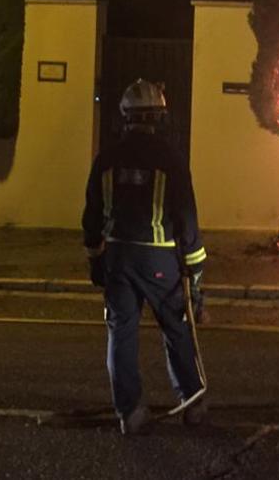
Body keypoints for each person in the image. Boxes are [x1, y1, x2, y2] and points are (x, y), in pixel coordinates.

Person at [82, 79, 208, 435]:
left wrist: (96, 259)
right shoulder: (171, 160)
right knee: (176, 328)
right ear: (160, 117)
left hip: (118, 257)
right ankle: (192, 401)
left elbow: (91, 217)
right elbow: (186, 218)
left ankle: (130, 412)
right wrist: (195, 270)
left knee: (121, 333)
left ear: (124, 117)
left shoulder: (106, 159)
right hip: (159, 260)